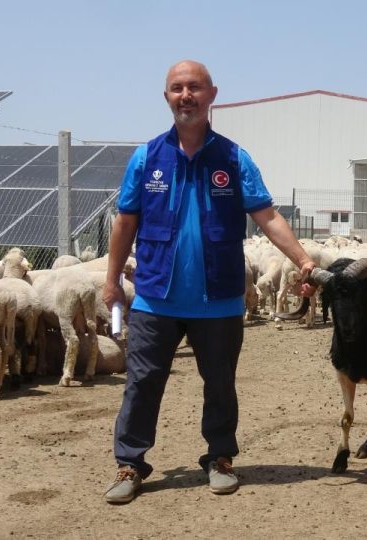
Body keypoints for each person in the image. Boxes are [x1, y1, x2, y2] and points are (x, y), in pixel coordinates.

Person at [102, 60, 316, 504]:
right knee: (142, 384)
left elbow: (267, 216)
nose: (186, 96)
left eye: (195, 87)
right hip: (155, 297)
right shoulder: (147, 157)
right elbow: (125, 221)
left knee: (220, 384)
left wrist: (302, 260)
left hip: (218, 298)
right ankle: (130, 463)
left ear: (212, 95)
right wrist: (111, 281)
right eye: (177, 88)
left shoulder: (234, 159)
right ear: (167, 97)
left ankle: (219, 458)